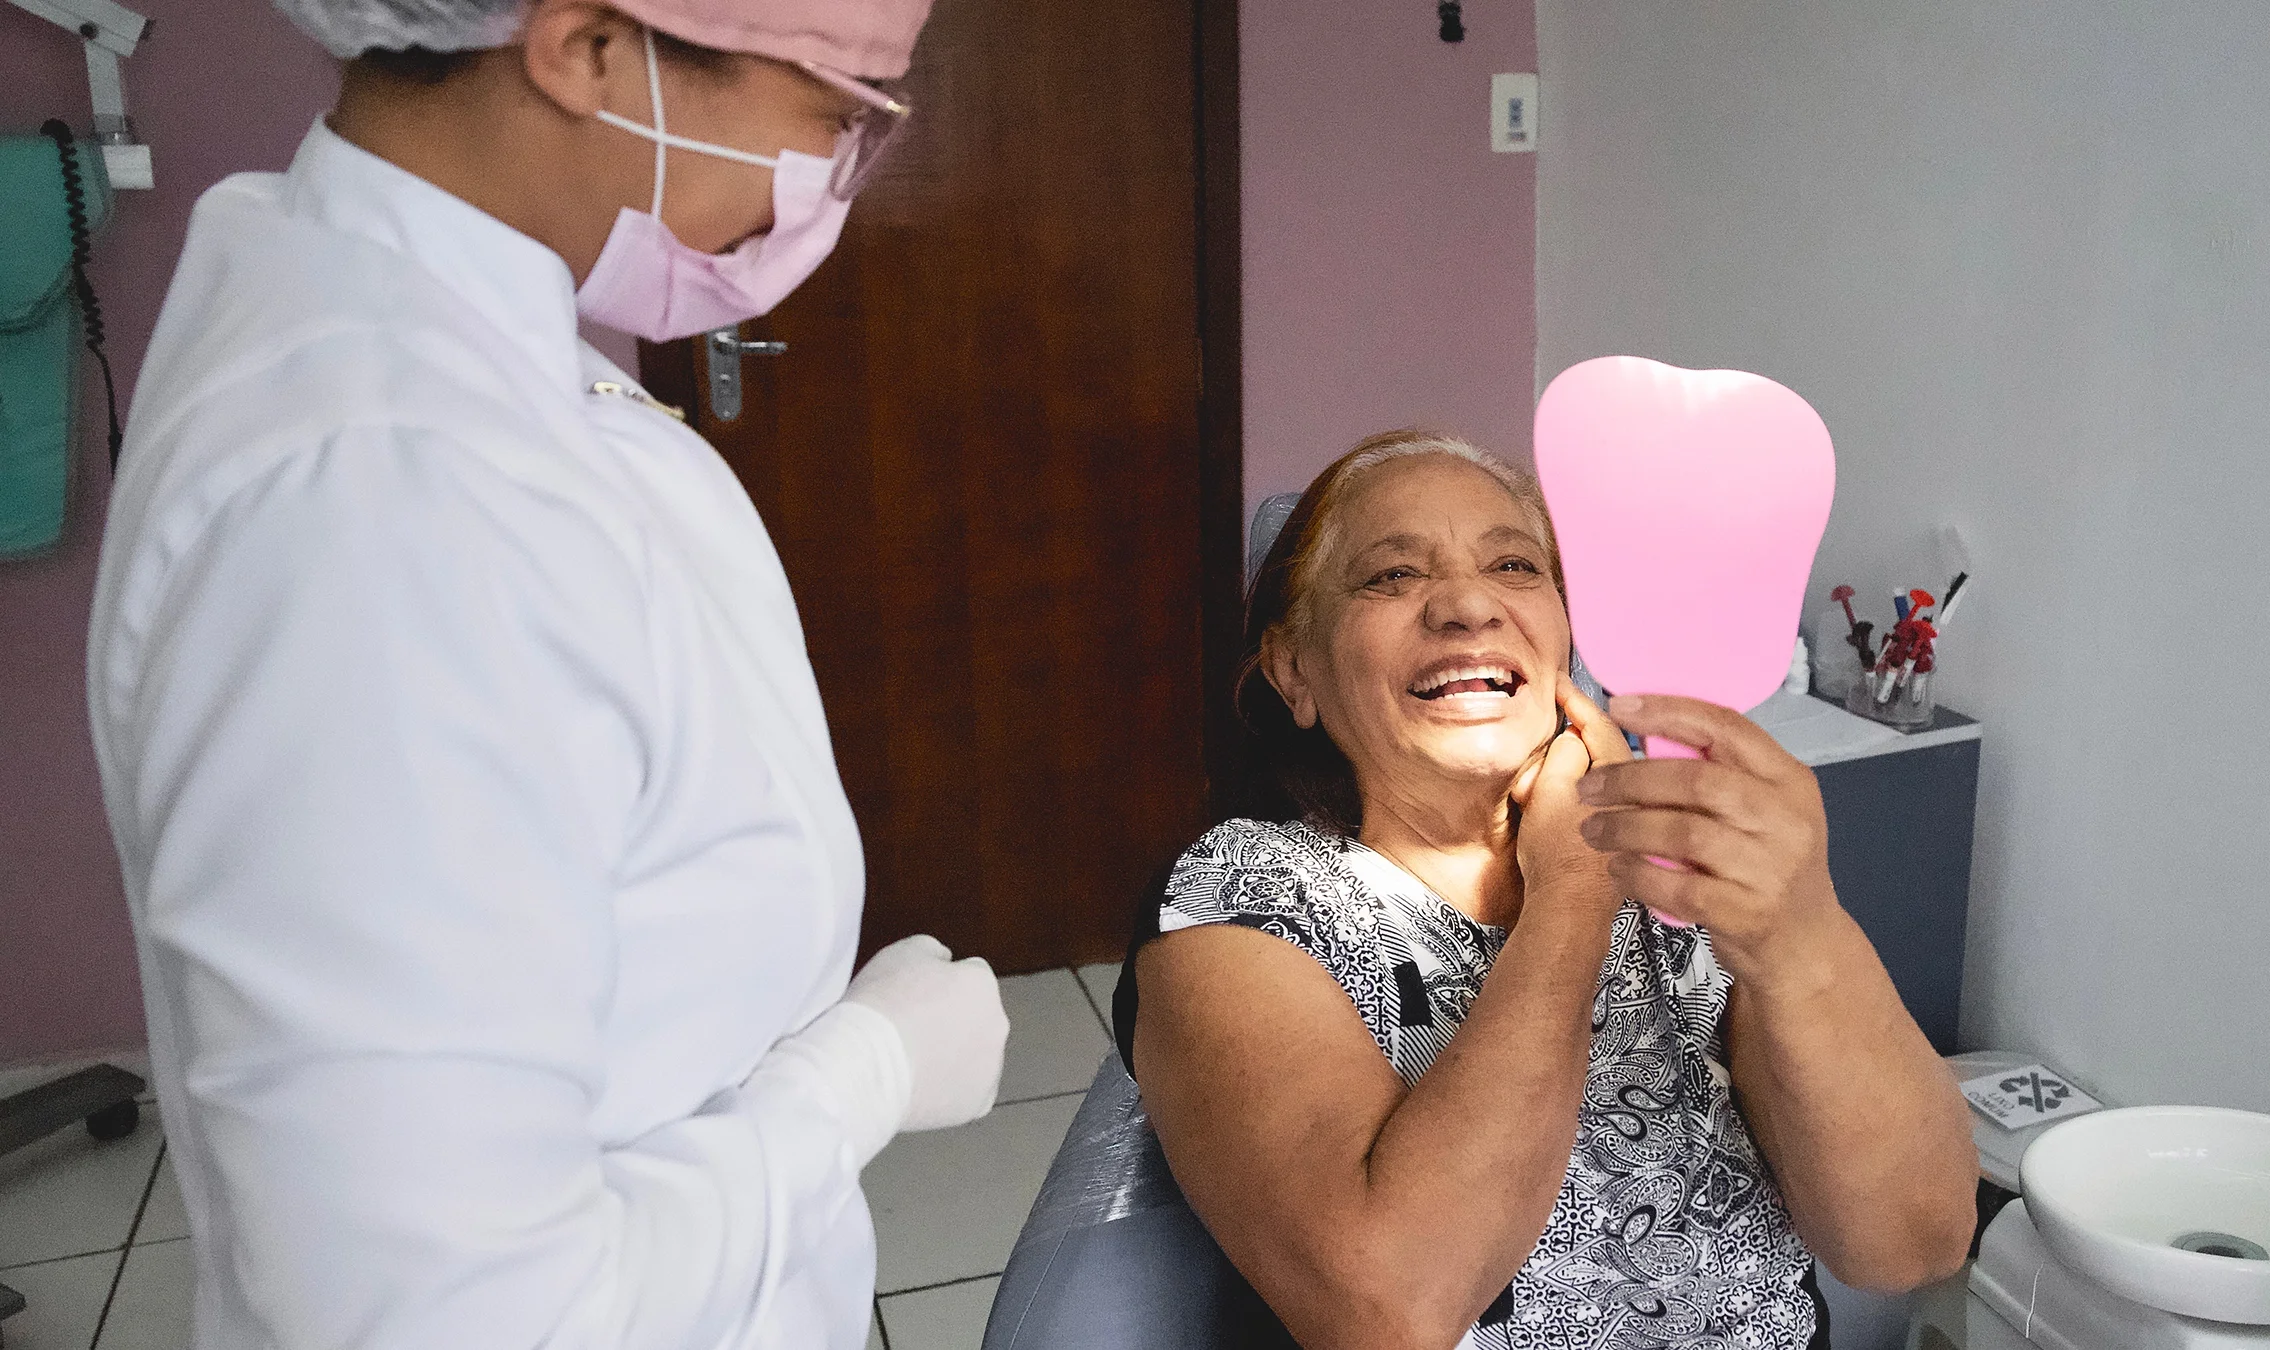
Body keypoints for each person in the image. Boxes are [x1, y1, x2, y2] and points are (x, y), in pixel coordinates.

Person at [83, 0, 1007, 1345]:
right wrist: (860, 1073)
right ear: (583, 46)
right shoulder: (378, 505)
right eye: (835, 112)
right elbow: (446, 1317)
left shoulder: (416, 316)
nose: (828, 183)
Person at [1118, 431, 1979, 1350]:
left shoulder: (1675, 877)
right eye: (1391, 577)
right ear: (1296, 671)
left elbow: (1913, 1243)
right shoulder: (1244, 901)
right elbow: (1390, 1311)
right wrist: (1572, 887)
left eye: (1515, 564)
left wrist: (1798, 928)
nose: (1466, 605)